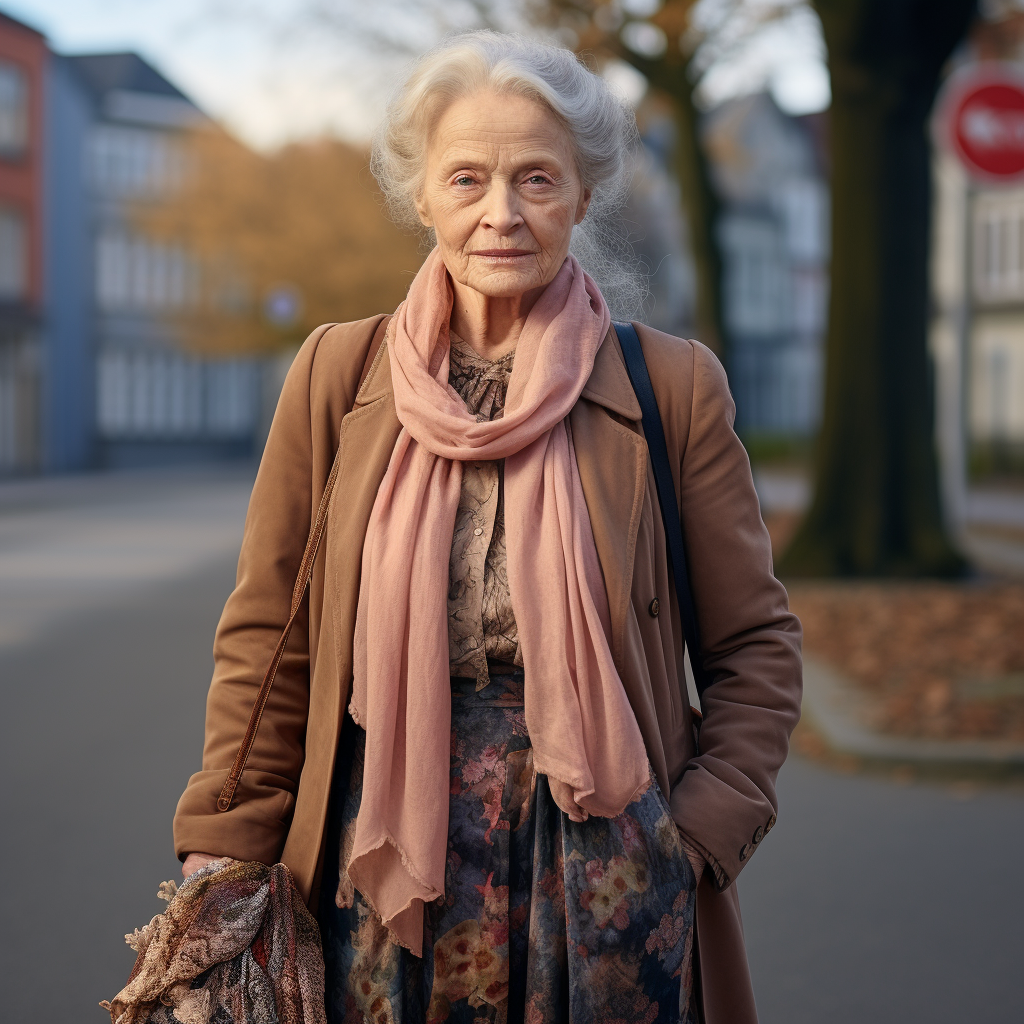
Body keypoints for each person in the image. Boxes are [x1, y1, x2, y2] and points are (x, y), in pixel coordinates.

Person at [173, 30, 802, 1024]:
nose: (500, 212)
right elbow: (268, 639)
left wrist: (695, 835)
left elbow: (755, 646)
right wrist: (229, 832)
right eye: (467, 178)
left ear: (582, 196)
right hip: (380, 850)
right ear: (422, 195)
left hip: (607, 869)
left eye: (536, 179)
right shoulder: (338, 376)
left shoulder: (671, 388)